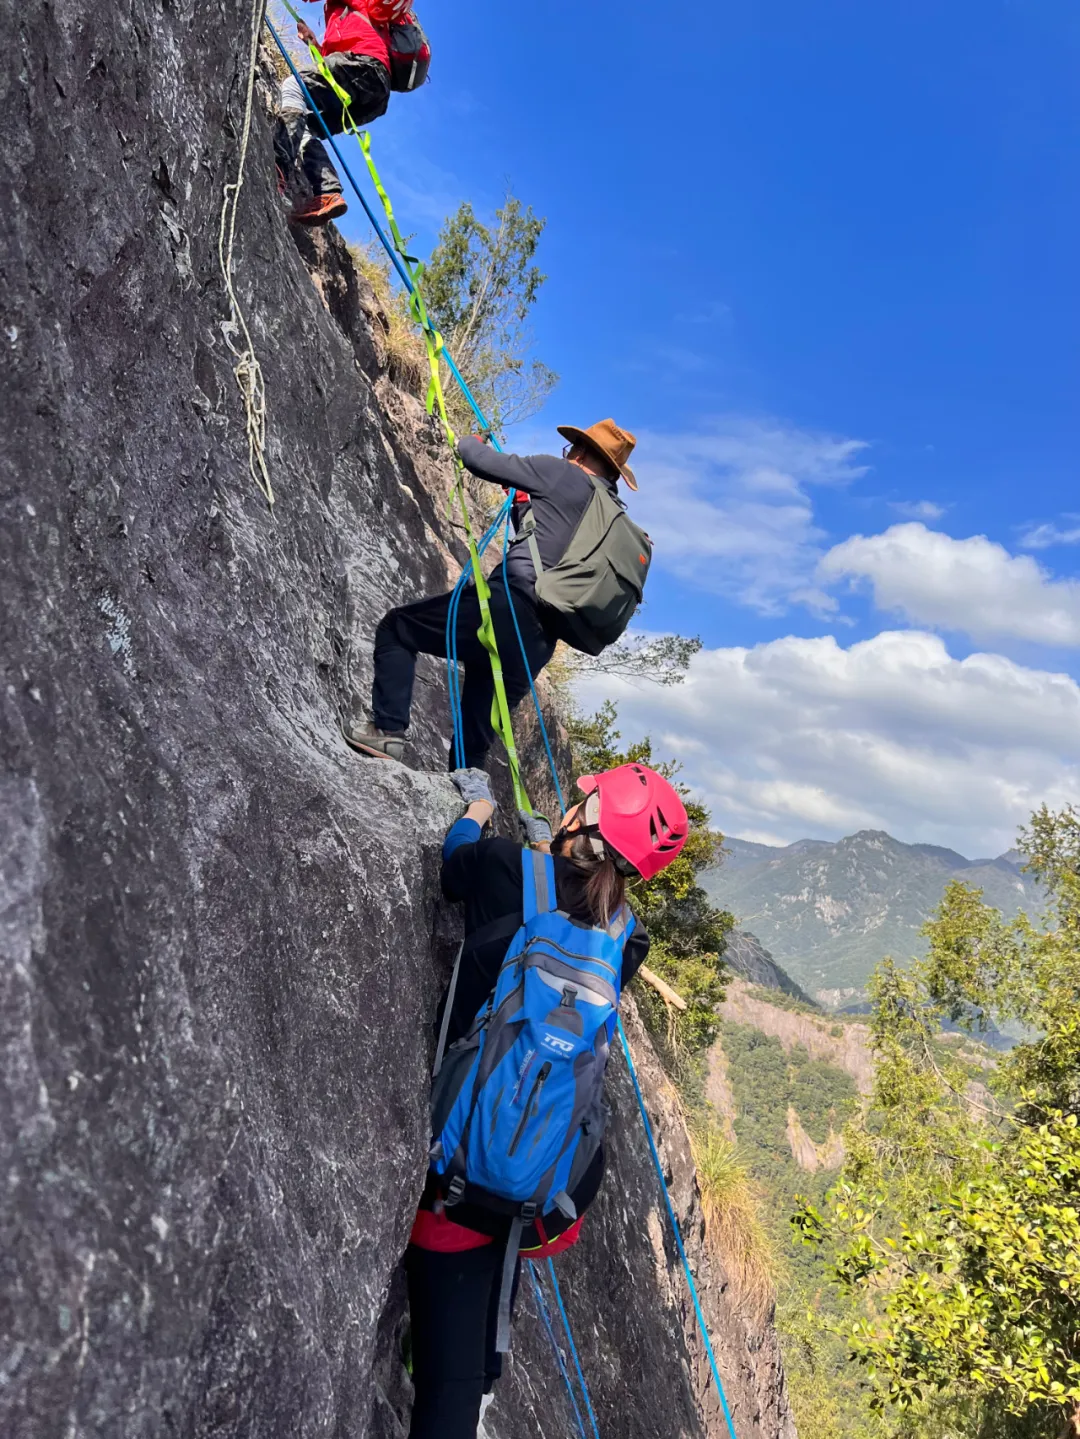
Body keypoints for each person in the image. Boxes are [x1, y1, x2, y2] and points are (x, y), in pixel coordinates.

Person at [405, 761, 690, 1439]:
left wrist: (478, 805)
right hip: (545, 1173)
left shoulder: (505, 866)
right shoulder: (629, 937)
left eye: (585, 796)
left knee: (446, 1385)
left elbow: (454, 866)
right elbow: (575, 906)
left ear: (586, 817)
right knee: (469, 1361)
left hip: (458, 1162)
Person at [346, 419, 640, 765]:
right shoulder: (607, 514)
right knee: (471, 749)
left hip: (508, 607)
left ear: (581, 452)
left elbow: (475, 458)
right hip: (539, 644)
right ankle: (469, 810)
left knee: (398, 628)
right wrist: (523, 507)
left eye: (573, 448)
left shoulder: (563, 474)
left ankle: (387, 731)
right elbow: (550, 544)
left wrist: (473, 439)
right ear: (615, 473)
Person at [274, 0, 419, 227]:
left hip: (364, 64)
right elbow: (337, 61)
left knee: (294, 87)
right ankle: (327, 191)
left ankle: (277, 168)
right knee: (308, 127)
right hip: (374, 90)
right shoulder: (360, 19)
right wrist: (315, 44)